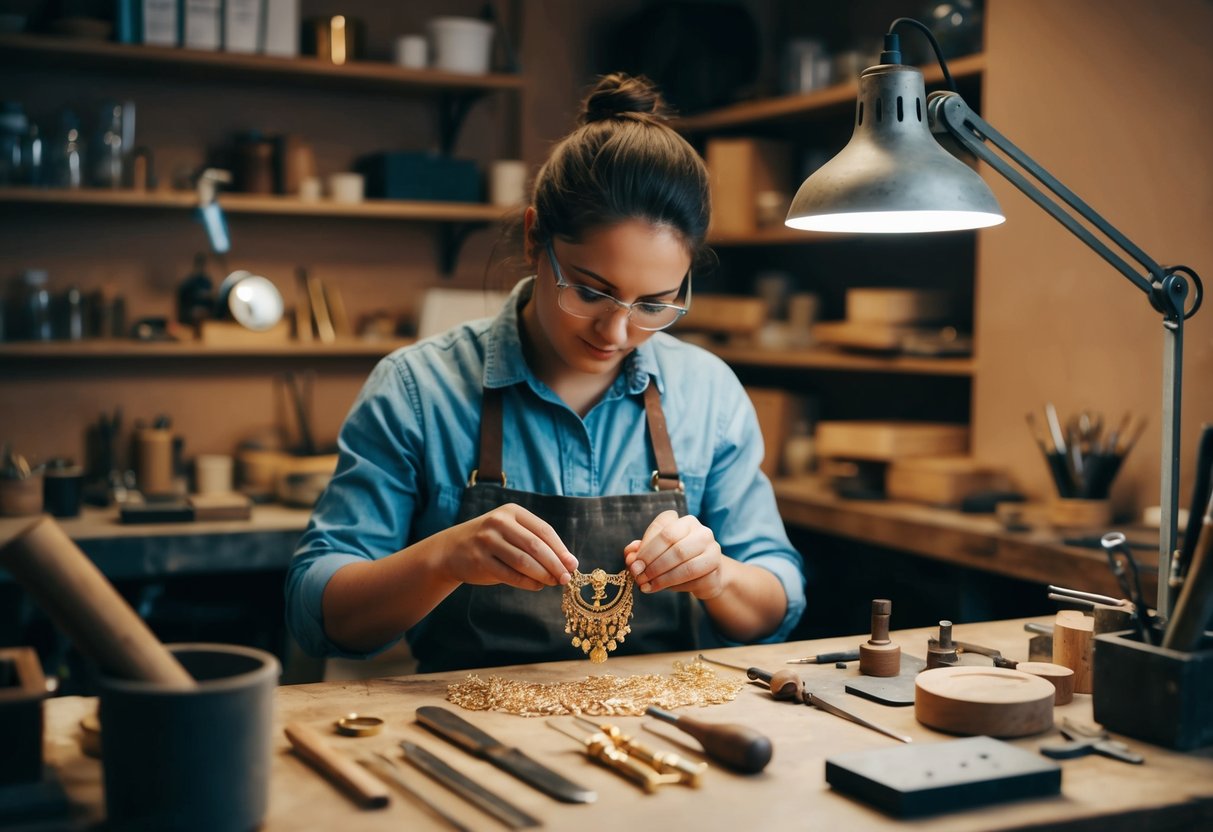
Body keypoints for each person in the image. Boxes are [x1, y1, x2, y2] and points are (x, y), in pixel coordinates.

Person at [286, 73, 806, 673]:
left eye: (655, 304)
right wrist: (444, 559)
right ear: (536, 238)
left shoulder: (707, 393)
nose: (615, 333)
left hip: (662, 730)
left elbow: (778, 602)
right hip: (472, 730)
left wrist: (717, 576)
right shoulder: (417, 390)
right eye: (590, 291)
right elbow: (317, 612)